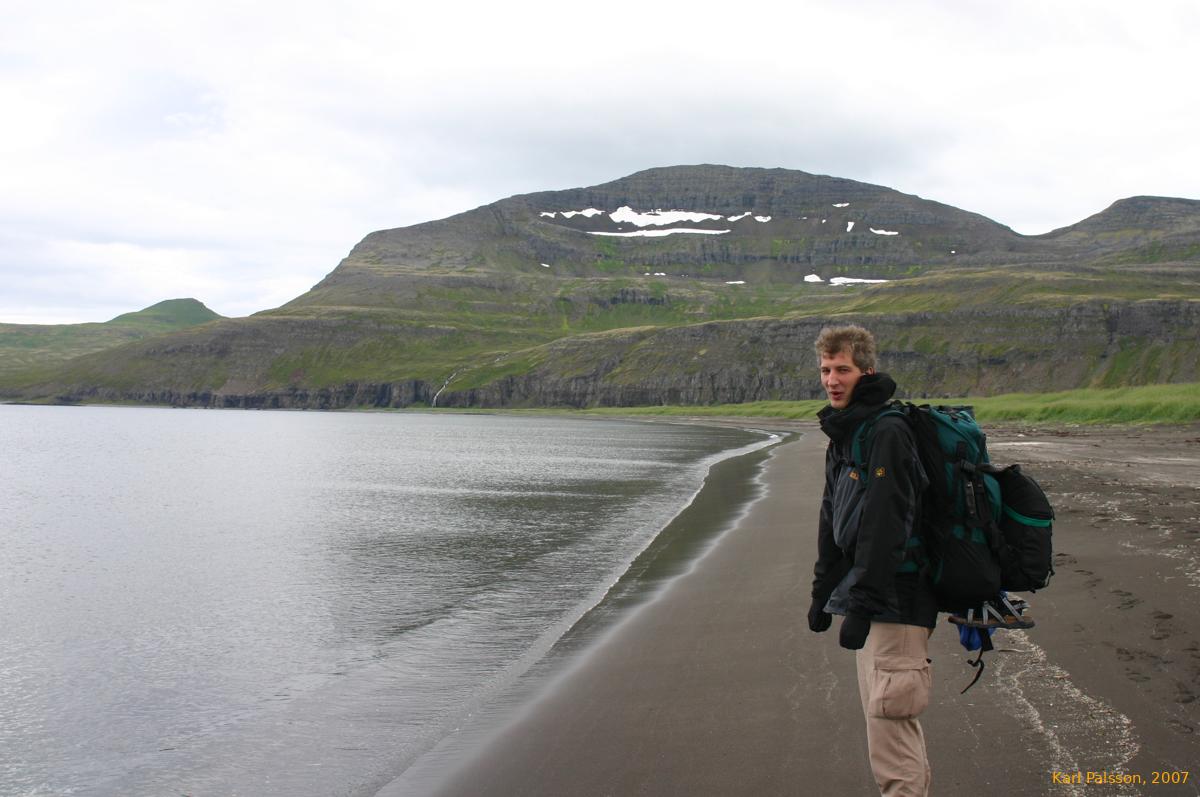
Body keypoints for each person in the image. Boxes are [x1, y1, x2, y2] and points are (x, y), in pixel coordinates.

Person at [807, 325, 937, 797]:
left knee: (891, 726)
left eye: (842, 369)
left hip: (897, 598)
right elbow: (831, 516)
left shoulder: (887, 431)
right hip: (869, 595)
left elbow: (888, 524)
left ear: (866, 371)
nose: (832, 380)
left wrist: (861, 604)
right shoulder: (847, 431)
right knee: (884, 724)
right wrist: (822, 592)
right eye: (826, 370)